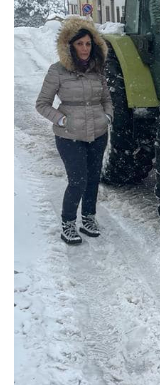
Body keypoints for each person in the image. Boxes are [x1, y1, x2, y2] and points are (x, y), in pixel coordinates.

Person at [35, 17, 113, 245]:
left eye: (88, 43)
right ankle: (68, 222)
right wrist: (61, 120)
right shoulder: (57, 71)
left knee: (93, 179)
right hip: (69, 136)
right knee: (78, 180)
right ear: (70, 46)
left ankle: (88, 217)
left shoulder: (97, 70)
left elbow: (107, 99)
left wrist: (107, 117)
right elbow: (42, 104)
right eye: (80, 44)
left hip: (98, 133)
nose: (85, 48)